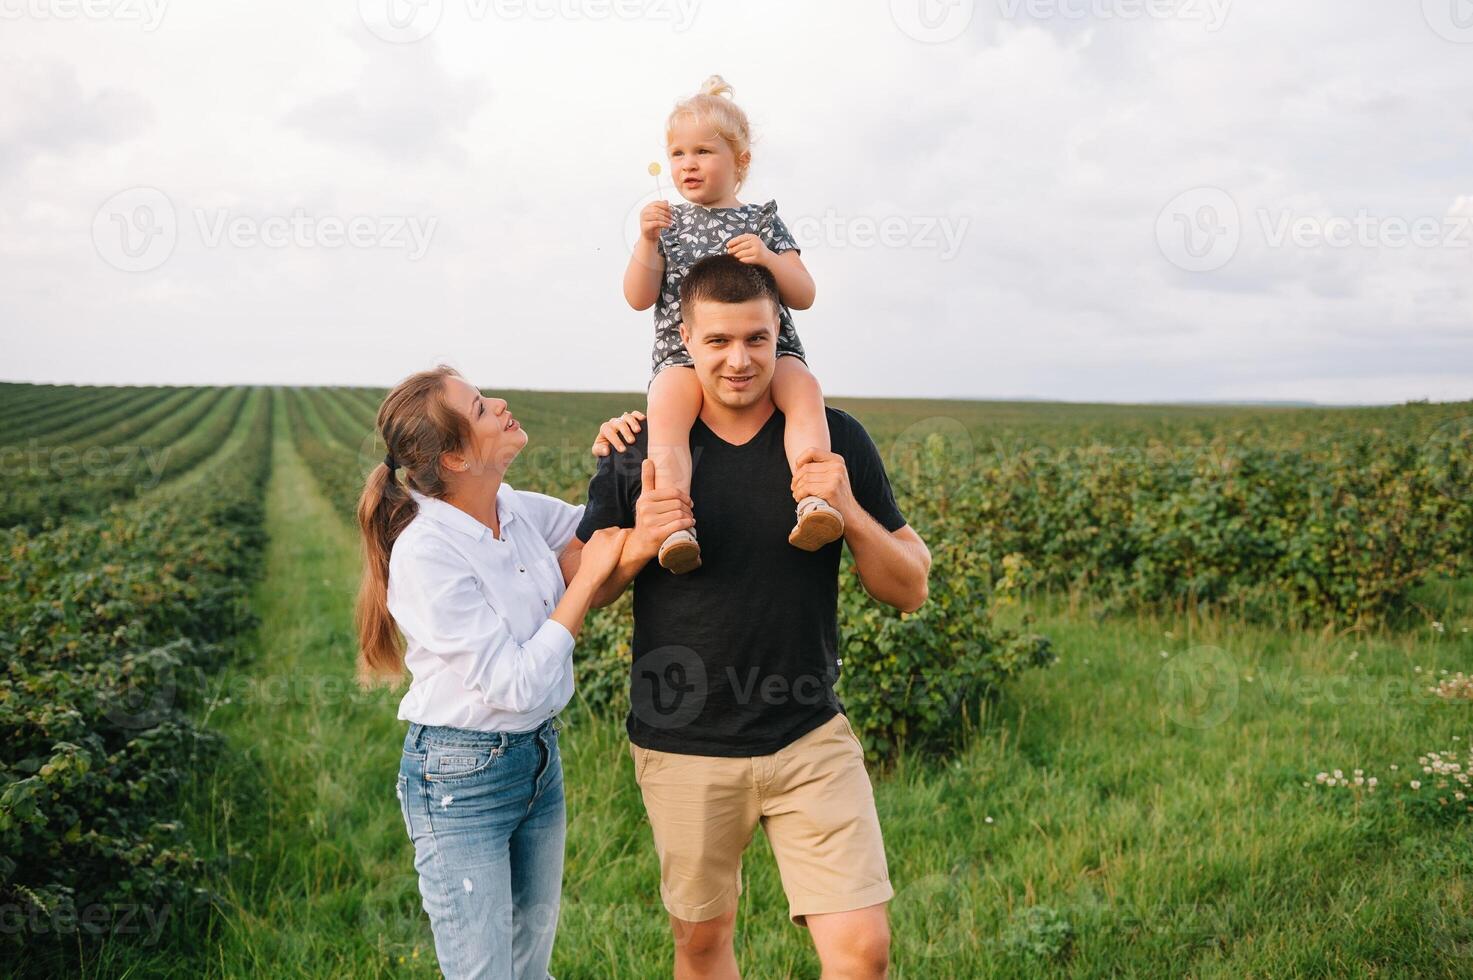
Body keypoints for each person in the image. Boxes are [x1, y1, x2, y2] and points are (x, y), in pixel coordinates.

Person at [570, 255, 932, 979]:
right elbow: (581, 586)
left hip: (809, 736)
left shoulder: (833, 438)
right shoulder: (638, 449)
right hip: (684, 743)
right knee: (702, 947)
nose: (739, 361)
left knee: (863, 953)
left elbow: (909, 588)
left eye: (757, 340)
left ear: (779, 334)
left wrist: (848, 508)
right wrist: (641, 541)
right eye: (718, 342)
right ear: (685, 338)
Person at [353, 364, 663, 980]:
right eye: (478, 408)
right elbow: (515, 681)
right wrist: (593, 574)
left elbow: (592, 537)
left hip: (536, 760)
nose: (499, 403)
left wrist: (620, 459)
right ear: (456, 457)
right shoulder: (428, 553)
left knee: (529, 968)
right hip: (460, 778)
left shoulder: (511, 508)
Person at [622, 74, 843, 574]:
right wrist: (646, 242)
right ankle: (676, 521)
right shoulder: (667, 225)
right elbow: (638, 298)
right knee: (666, 413)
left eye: (703, 151)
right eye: (678, 154)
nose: (688, 164)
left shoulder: (761, 220)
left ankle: (813, 500)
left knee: (804, 390)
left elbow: (804, 294)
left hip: (770, 352)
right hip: (684, 357)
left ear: (739, 162)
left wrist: (768, 258)